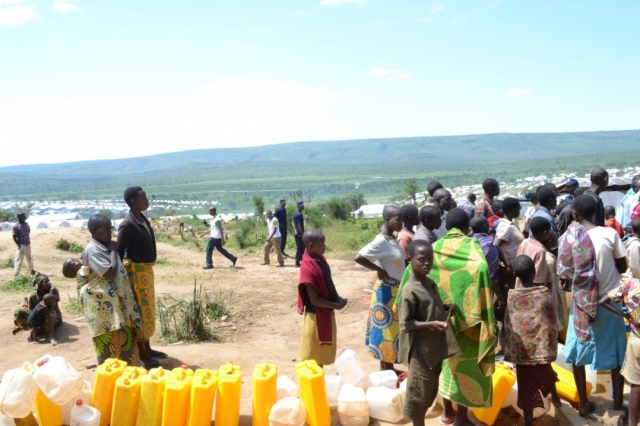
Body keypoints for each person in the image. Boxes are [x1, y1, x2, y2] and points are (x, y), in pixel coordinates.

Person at [560, 195, 627, 417]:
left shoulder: (568, 240)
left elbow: (565, 277)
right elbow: (623, 265)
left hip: (581, 305)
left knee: (578, 354)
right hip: (610, 303)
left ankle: (583, 403)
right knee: (617, 356)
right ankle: (617, 405)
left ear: (575, 215)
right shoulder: (610, 234)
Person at [430, 208, 496, 426]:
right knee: (466, 364)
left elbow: (416, 275)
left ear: (446, 227)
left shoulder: (433, 248)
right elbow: (481, 270)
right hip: (470, 318)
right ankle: (461, 417)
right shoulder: (472, 247)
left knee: (445, 363)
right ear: (468, 228)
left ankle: (447, 412)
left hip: (439, 319)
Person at [398, 239, 460, 426]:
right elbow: (405, 324)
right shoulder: (409, 291)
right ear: (409, 259)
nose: (427, 263)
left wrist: (445, 308)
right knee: (419, 393)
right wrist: (432, 323)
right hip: (420, 352)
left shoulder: (429, 282)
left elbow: (432, 306)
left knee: (430, 389)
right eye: (421, 259)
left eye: (430, 258)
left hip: (434, 348)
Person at [79, 214, 143, 365]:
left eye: (111, 228)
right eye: (106, 229)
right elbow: (110, 274)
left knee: (125, 342)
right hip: (104, 310)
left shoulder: (104, 246)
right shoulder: (93, 250)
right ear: (94, 230)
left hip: (117, 305)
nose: (110, 232)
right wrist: (114, 250)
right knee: (110, 345)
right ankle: (112, 381)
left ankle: (129, 377)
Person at [504, 255, 561, 426]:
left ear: (516, 275)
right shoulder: (544, 293)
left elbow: (509, 323)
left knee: (525, 388)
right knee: (547, 373)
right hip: (541, 348)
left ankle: (529, 422)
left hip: (522, 352)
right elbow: (550, 320)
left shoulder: (512, 295)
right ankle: (555, 396)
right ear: (534, 272)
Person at [117, 186, 166, 368]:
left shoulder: (141, 219)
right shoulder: (128, 224)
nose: (147, 201)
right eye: (143, 198)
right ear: (133, 202)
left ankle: (148, 347)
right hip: (135, 276)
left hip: (145, 273)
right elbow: (120, 253)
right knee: (138, 312)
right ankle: (142, 353)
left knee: (147, 312)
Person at [354, 205, 406, 371]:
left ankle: (387, 369)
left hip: (394, 291)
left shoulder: (392, 238)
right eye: (398, 219)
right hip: (386, 293)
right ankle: (387, 370)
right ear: (387, 220)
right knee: (387, 332)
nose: (401, 222)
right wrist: (380, 270)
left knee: (390, 331)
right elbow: (359, 257)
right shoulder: (381, 241)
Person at [296, 230, 348, 366]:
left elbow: (328, 281)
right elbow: (314, 300)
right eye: (321, 244)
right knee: (314, 356)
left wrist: (337, 298)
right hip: (315, 316)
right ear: (311, 245)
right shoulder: (308, 268)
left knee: (320, 354)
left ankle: (317, 382)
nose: (324, 247)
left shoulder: (319, 260)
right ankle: (314, 383)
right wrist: (336, 306)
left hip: (325, 311)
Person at [600, 278, 640, 426]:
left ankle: (632, 424)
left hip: (636, 340)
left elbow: (602, 300)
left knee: (636, 385)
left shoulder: (630, 285)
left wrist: (624, 315)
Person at [543, 232, 568, 333]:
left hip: (557, 290)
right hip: (554, 293)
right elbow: (550, 281)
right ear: (550, 242)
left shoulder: (550, 256)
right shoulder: (549, 259)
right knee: (556, 317)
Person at [516, 217, 551, 287]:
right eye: (549, 231)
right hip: (532, 291)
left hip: (520, 286)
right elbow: (538, 279)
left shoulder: (525, 242)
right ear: (544, 232)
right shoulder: (541, 250)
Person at [494, 197, 525, 266]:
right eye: (518, 209)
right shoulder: (506, 227)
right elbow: (496, 245)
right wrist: (506, 263)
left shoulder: (509, 224)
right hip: (512, 265)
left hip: (517, 264)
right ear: (512, 211)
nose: (519, 212)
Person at [12, 213, 34, 277]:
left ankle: (31, 271)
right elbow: (14, 236)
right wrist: (18, 244)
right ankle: (16, 274)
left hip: (27, 244)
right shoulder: (16, 226)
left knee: (29, 259)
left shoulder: (26, 224)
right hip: (21, 245)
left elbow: (28, 231)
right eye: (23, 216)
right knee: (19, 260)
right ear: (20, 218)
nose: (25, 217)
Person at [292, 201, 305, 267]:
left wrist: (295, 229)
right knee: (300, 248)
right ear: (298, 206)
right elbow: (299, 225)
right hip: (299, 234)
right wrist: (303, 234)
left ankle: (301, 261)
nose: (303, 206)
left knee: (300, 248)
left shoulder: (295, 213)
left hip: (296, 233)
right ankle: (297, 262)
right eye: (301, 206)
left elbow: (293, 222)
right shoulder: (299, 215)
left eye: (303, 205)